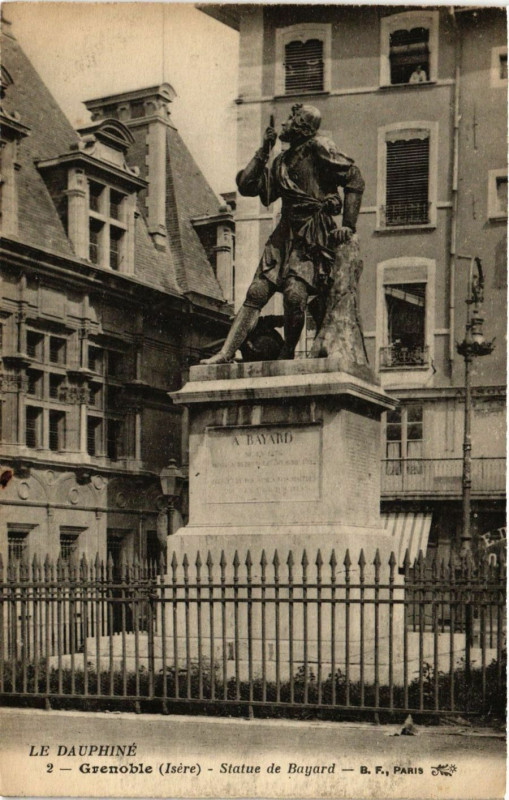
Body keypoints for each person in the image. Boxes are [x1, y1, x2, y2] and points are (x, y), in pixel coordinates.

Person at [201, 103, 365, 364]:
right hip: (284, 233)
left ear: (302, 125)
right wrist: (263, 150)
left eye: (292, 117)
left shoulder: (318, 147)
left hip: (312, 233)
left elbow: (354, 177)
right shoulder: (281, 162)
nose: (285, 123)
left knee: (295, 295)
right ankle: (226, 353)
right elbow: (247, 186)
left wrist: (348, 224)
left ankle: (288, 352)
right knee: (256, 292)